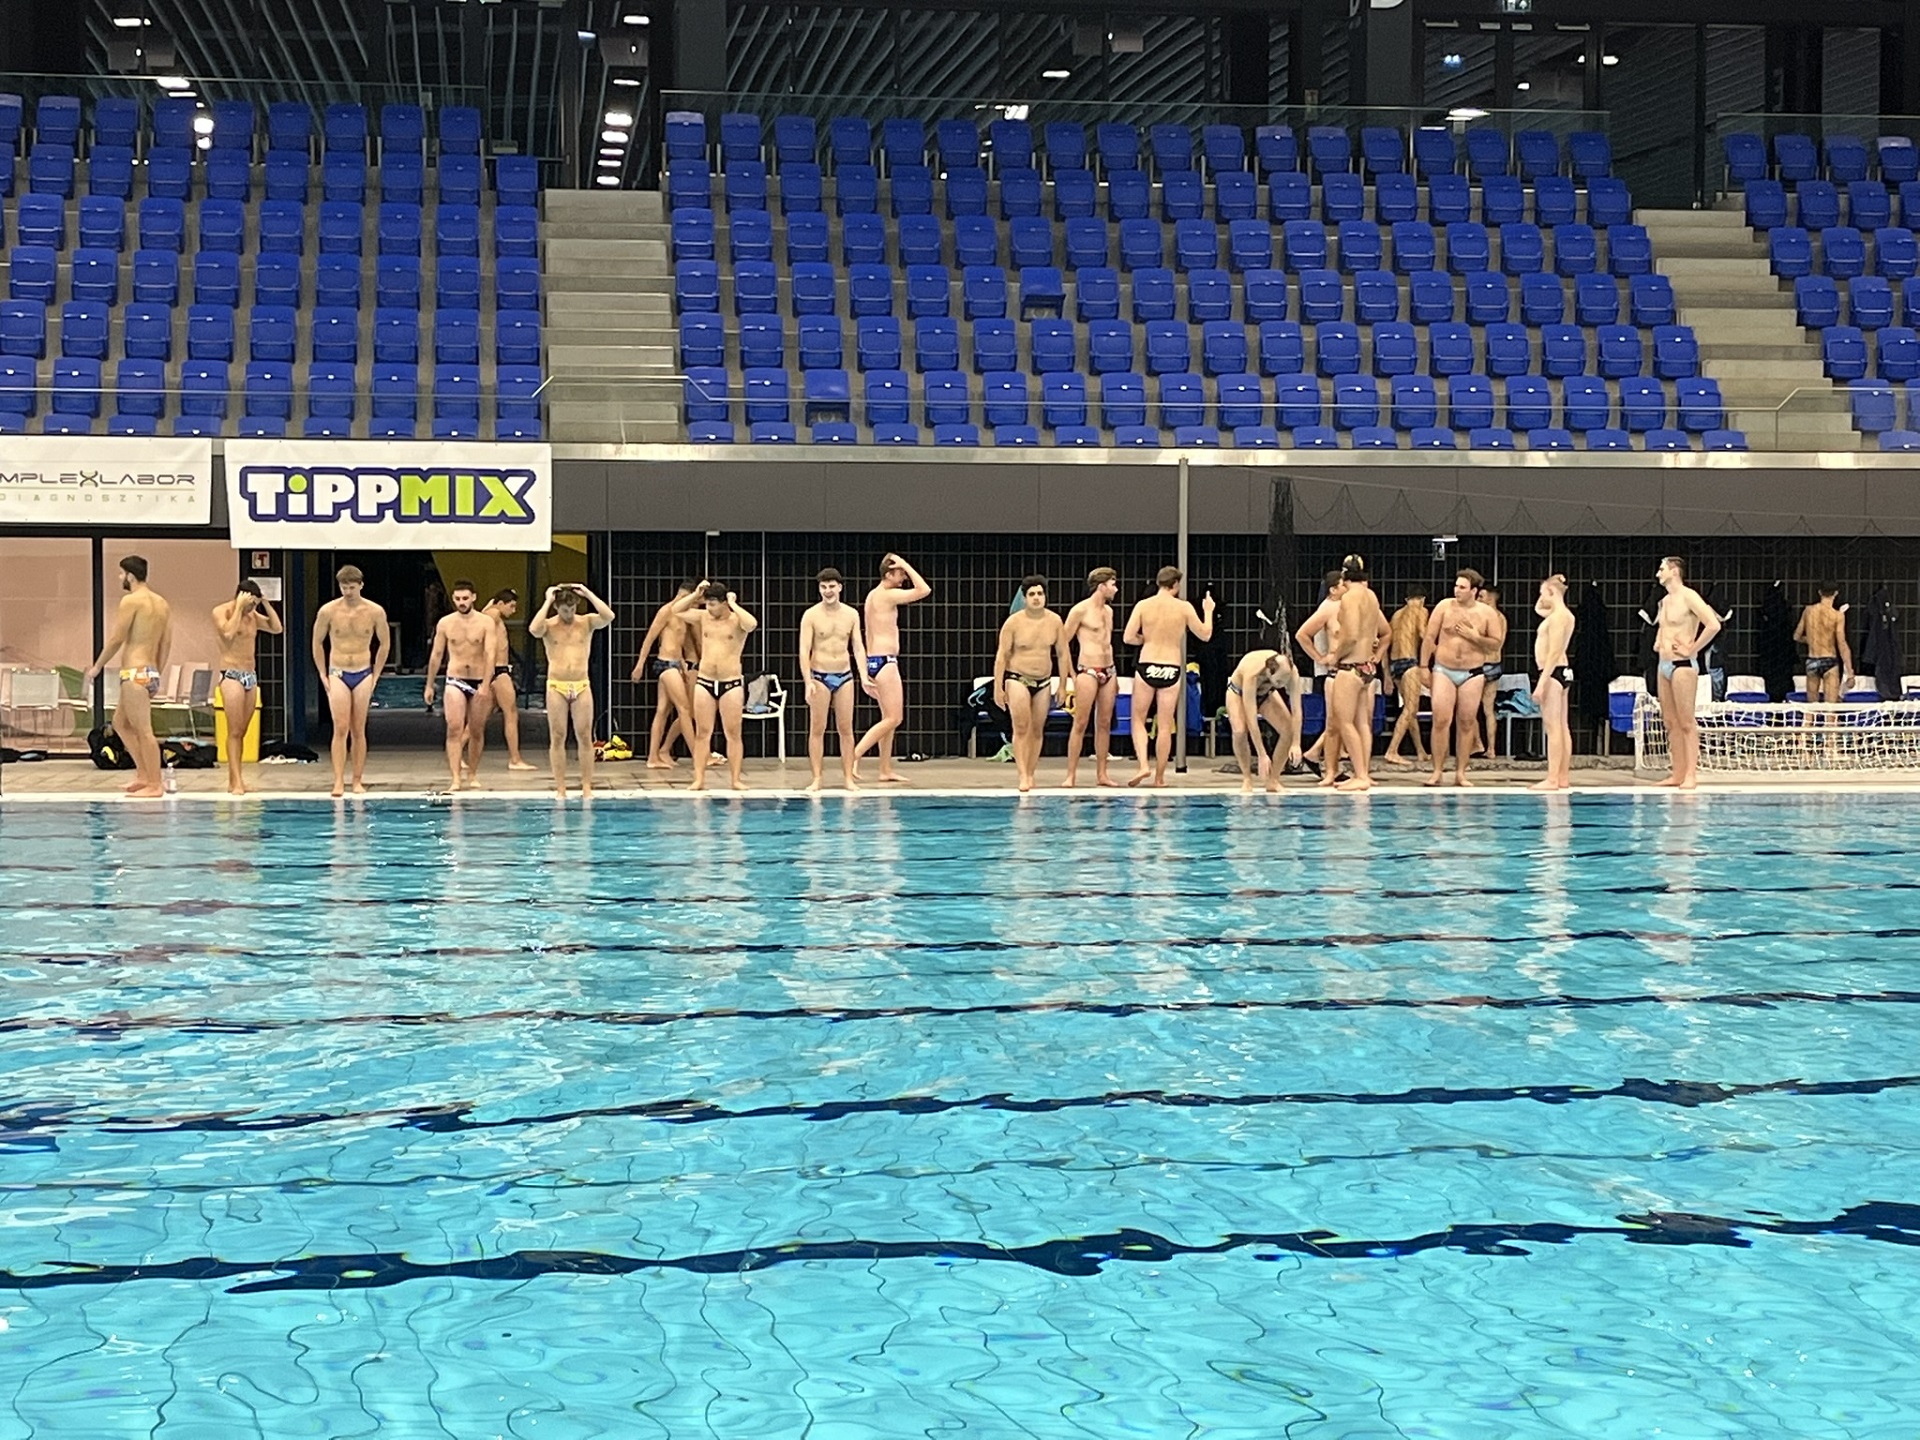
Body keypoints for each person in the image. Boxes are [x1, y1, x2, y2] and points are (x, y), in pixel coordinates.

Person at [83, 555, 173, 799]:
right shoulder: (162, 603)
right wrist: (157, 673)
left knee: (144, 731)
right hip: (149, 671)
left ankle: (155, 784)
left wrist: (97, 666)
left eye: (122, 573)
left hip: (134, 673)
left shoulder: (131, 601)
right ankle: (143, 775)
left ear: (131, 576)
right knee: (120, 724)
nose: (120, 577)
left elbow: (117, 638)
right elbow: (166, 643)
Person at [1123, 565, 1216, 788]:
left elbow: (1128, 637)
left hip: (1147, 664)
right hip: (1171, 667)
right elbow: (1205, 635)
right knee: (1165, 725)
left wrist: (1145, 640)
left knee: (1138, 720)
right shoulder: (1184, 608)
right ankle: (1159, 778)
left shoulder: (1143, 605)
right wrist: (1208, 611)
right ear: (1175, 585)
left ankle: (1143, 765)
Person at [310, 564, 391, 797]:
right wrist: (322, 674)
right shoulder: (328, 611)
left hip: (363, 671)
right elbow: (317, 642)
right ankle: (338, 781)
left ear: (361, 585)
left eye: (352, 588)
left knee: (358, 729)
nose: (347, 592)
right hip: (338, 672)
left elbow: (385, 644)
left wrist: (376, 674)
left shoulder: (375, 611)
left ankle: (357, 780)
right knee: (340, 727)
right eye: (344, 588)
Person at [528, 584, 615, 799]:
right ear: (557, 608)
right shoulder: (549, 625)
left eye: (573, 609)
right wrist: (548, 600)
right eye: (565, 610)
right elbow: (533, 629)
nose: (569, 614)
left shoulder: (586, 622)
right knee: (558, 736)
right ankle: (561, 788)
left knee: (585, 736)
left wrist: (587, 593)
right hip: (556, 685)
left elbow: (609, 616)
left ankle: (587, 786)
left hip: (581, 684)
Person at [671, 581, 759, 791]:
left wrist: (734, 604)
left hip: (731, 683)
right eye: (707, 604)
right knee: (702, 733)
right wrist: (696, 594)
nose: (709, 608)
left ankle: (735, 780)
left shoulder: (737, 620)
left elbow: (752, 624)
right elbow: (676, 610)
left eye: (713, 604)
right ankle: (699, 779)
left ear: (723, 603)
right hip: (705, 681)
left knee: (733, 734)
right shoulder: (703, 617)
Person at [852, 553, 932, 782]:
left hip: (875, 661)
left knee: (888, 718)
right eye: (900, 573)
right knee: (894, 718)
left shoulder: (873, 595)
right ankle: (854, 755)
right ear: (888, 574)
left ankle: (884, 769)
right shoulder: (886, 595)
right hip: (885, 662)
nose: (904, 577)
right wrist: (906, 563)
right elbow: (924, 590)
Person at [1420, 568, 1499, 788]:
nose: (1457, 590)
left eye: (1462, 587)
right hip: (1443, 669)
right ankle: (1437, 771)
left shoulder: (1487, 614)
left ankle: (1461, 772)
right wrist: (1423, 666)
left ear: (1474, 591)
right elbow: (1429, 637)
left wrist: (1475, 637)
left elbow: (1496, 644)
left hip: (1472, 672)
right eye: (1456, 586)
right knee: (1441, 719)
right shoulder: (1444, 607)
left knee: (1466, 722)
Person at [799, 568, 876, 791]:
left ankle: (848, 778)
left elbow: (858, 647)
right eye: (823, 587)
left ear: (840, 587)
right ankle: (817, 778)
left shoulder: (851, 614)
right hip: (819, 676)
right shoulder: (811, 615)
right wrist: (808, 682)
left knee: (846, 729)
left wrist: (864, 676)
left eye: (831, 586)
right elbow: (804, 650)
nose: (828, 591)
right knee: (817, 729)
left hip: (845, 676)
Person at [993, 575, 1071, 793]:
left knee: (1037, 729)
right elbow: (1001, 656)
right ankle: (1022, 775)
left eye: (1040, 593)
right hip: (1017, 678)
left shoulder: (1055, 621)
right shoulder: (1013, 623)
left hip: (1043, 681)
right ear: (1025, 598)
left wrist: (1063, 685)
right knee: (1021, 727)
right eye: (1032, 594)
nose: (1037, 598)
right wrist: (998, 687)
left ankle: (1030, 772)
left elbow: (1063, 655)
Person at [1652, 555, 1722, 791]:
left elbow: (1713, 624)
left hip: (1683, 665)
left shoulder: (1689, 596)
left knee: (1686, 722)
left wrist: (1692, 649)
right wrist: (1658, 642)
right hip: (1663, 664)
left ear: (1674, 571)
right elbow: (1665, 627)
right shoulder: (1664, 601)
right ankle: (1678, 773)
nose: (1658, 574)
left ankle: (1691, 774)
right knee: (1670, 722)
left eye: (1661, 569)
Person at [1323, 555, 1391, 792]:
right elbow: (1386, 632)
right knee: (1361, 723)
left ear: (1343, 576)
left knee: (1344, 722)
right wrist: (1377, 655)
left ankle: (1360, 775)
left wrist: (1335, 656)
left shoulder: (1350, 597)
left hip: (1350, 667)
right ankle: (1364, 774)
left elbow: (1350, 635)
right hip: (1366, 668)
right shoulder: (1371, 596)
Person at [210, 580, 283, 796]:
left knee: (242, 731)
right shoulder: (222, 611)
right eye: (250, 604)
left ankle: (236, 780)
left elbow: (277, 628)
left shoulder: (253, 616)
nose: (252, 609)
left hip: (250, 676)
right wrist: (239, 608)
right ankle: (236, 781)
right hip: (231, 675)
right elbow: (228, 633)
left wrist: (266, 604)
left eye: (254, 605)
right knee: (233, 731)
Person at [424, 579, 496, 792]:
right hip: (455, 679)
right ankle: (455, 777)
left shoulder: (485, 623)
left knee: (476, 730)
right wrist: (429, 685)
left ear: (473, 597)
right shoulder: (445, 623)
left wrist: (486, 684)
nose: (462, 602)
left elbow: (490, 654)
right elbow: (436, 655)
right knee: (454, 728)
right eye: (457, 599)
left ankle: (472, 773)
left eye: (465, 598)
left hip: (479, 679)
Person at [1061, 567, 1123, 788]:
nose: (1116, 589)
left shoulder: (1109, 612)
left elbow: (1108, 643)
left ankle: (1102, 774)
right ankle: (1070, 775)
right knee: (1080, 722)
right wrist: (1071, 674)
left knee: (1104, 724)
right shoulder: (1080, 610)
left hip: (1109, 670)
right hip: (1088, 670)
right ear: (1101, 586)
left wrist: (1114, 675)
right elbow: (1062, 644)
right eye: (1113, 584)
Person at [632, 579, 701, 770]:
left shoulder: (683, 615)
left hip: (676, 664)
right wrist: (640, 665)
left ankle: (653, 757)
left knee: (662, 711)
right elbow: (650, 638)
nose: (695, 606)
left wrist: (683, 665)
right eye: (694, 601)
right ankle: (697, 755)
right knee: (684, 709)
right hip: (665, 664)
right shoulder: (666, 611)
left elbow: (677, 643)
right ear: (685, 596)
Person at [469, 588, 539, 778]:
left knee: (480, 718)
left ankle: (457, 751)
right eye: (512, 606)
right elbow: (477, 629)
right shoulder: (493, 615)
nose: (514, 611)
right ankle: (515, 759)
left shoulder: (491, 613)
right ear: (500, 603)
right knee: (511, 713)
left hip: (494, 671)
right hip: (498, 671)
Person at [1292, 570, 1347, 773]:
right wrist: (1319, 658)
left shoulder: (1346, 606)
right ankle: (1325, 761)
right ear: (1333, 589)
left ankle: (1321, 756)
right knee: (1338, 720)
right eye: (1344, 584)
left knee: (1344, 720)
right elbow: (1302, 635)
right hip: (1335, 670)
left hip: (1349, 669)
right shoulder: (1328, 607)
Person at [1224, 647, 1299, 793]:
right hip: (1238, 692)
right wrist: (1262, 754)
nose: (1282, 685)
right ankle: (1247, 778)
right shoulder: (1252, 674)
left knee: (1288, 730)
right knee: (1239, 731)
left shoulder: (1292, 672)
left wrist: (1296, 743)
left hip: (1266, 693)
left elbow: (1297, 711)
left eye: (1285, 681)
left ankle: (1273, 780)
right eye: (1279, 681)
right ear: (1269, 672)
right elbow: (1252, 719)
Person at [1530, 575, 1578, 792]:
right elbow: (1538, 609)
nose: (1540, 598)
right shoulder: (1565, 615)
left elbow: (1554, 651)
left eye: (1542, 593)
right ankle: (1562, 776)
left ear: (1551, 592)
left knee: (1553, 728)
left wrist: (1542, 682)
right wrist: (1552, 584)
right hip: (1562, 672)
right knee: (1562, 726)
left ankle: (1552, 779)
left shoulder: (1558, 618)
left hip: (1552, 671)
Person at [1382, 589, 1430, 767]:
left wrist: (1387, 675)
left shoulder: (1396, 615)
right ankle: (1392, 750)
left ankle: (1420, 751)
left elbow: (1384, 644)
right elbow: (1424, 634)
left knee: (1411, 710)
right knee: (1410, 709)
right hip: (1410, 662)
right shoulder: (1421, 610)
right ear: (1422, 599)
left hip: (1395, 665)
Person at [1793, 583, 1854, 704]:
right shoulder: (1837, 616)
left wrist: (1811, 640)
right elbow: (1842, 643)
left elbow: (1796, 636)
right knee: (1830, 708)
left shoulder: (1808, 611)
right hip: (1829, 660)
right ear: (1836, 593)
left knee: (1811, 708)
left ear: (1819, 592)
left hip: (1812, 660)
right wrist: (1850, 672)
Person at [1477, 585, 1510, 760]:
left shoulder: (1483, 616)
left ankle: (1477, 744)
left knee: (1468, 708)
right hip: (1496, 663)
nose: (1478, 599)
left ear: (1491, 598)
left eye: (1481, 596)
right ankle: (1491, 748)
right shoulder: (1502, 618)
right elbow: (1500, 643)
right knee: (1488, 709)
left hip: (1481, 663)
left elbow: (1480, 641)